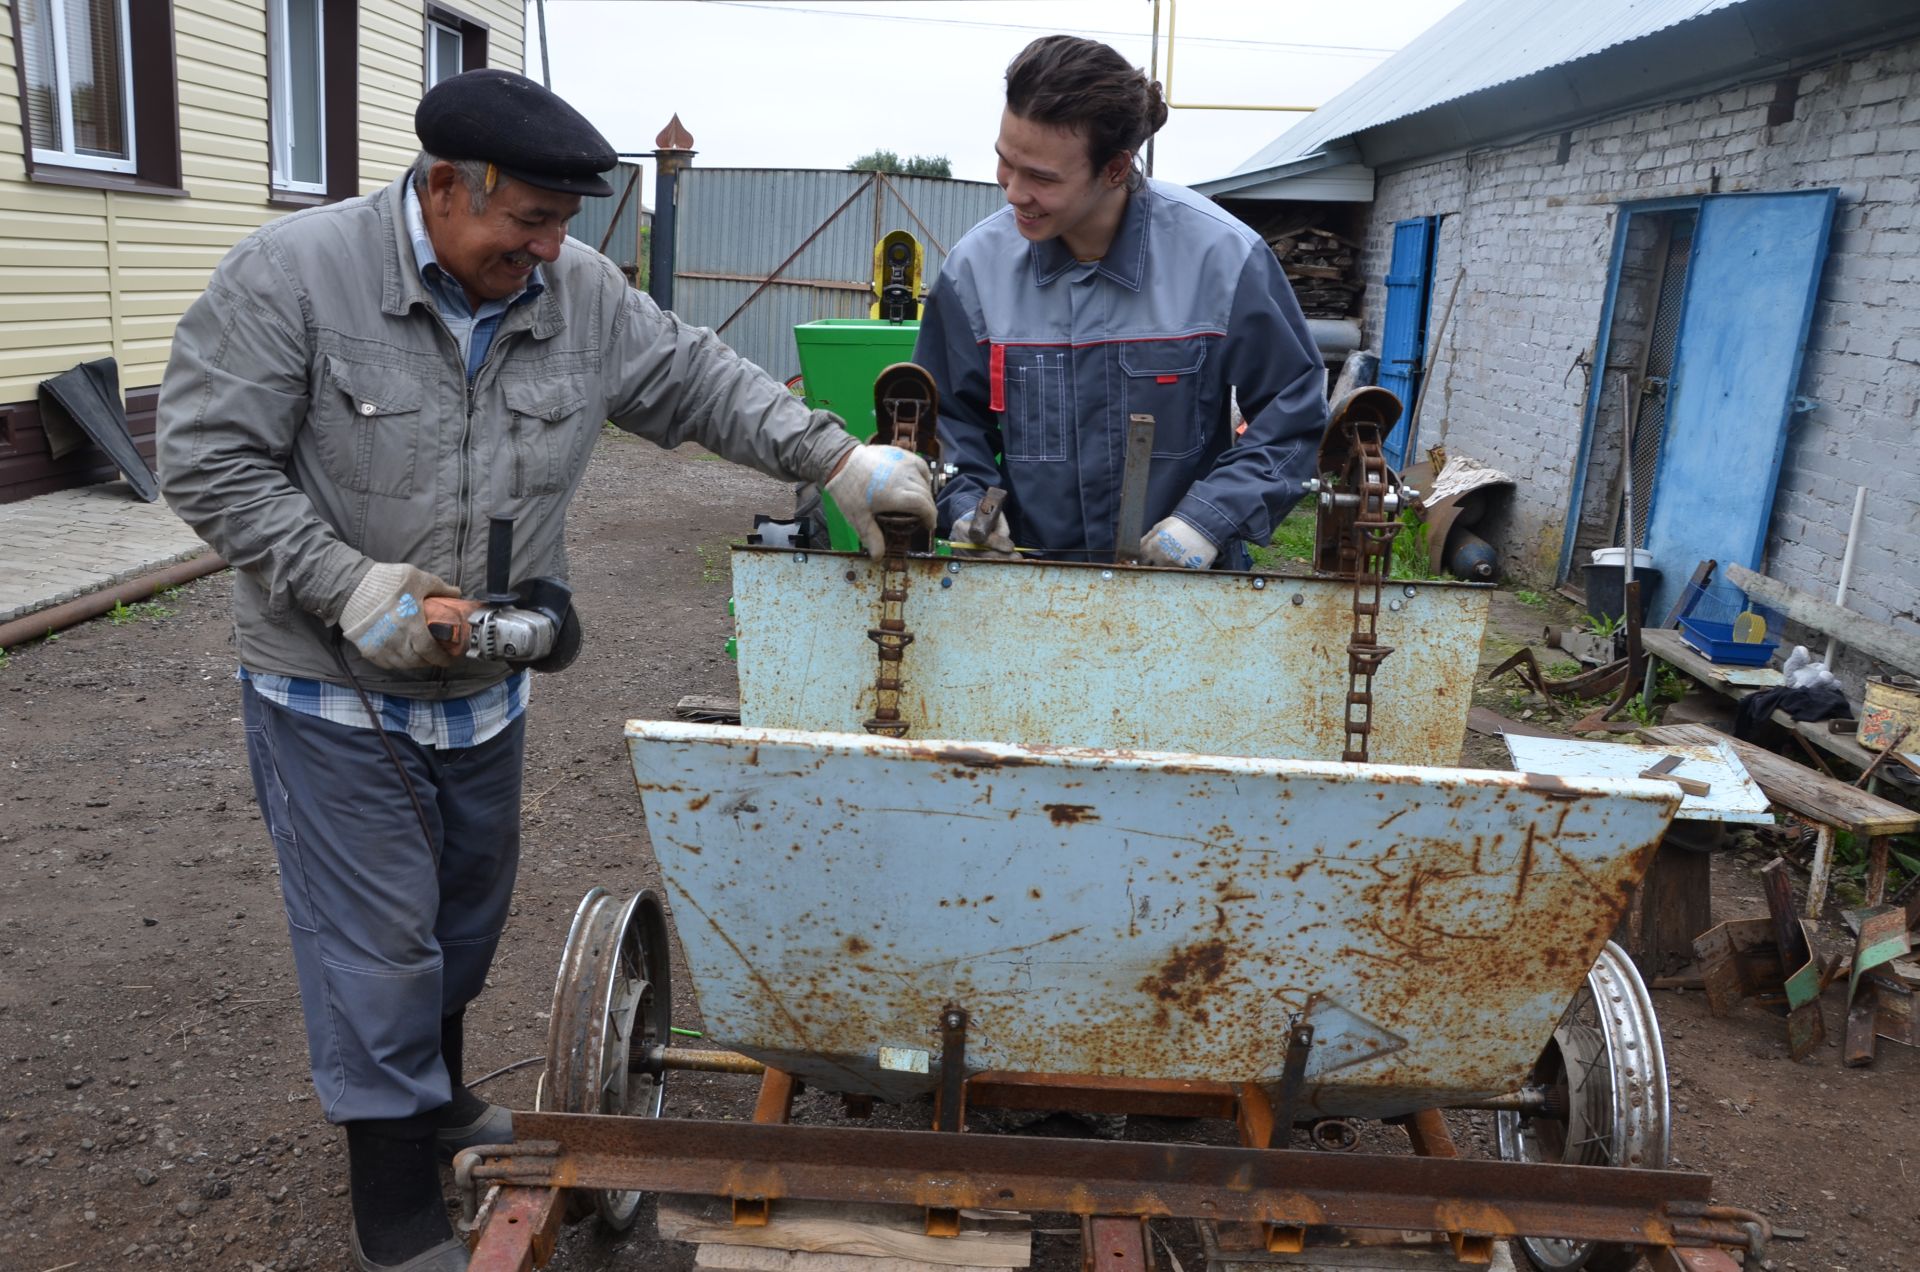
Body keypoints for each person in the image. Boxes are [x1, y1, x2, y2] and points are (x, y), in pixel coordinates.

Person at [156, 69, 933, 1272]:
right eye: (527, 220)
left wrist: (841, 464)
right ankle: (396, 1213)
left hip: (486, 678)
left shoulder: (572, 293)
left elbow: (696, 378)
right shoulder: (292, 278)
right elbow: (206, 461)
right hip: (330, 683)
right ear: (443, 186)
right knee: (378, 945)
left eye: (564, 223)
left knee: (464, 922)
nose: (549, 247)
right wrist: (347, 583)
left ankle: (441, 1102)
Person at [915, 35, 1326, 568]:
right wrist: (969, 505)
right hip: (1028, 588)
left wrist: (1210, 518)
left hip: (1191, 598)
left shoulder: (1224, 259)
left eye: (1041, 177)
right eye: (1005, 162)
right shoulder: (974, 270)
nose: (1013, 191)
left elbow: (1292, 411)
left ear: (1114, 169)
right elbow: (945, 416)